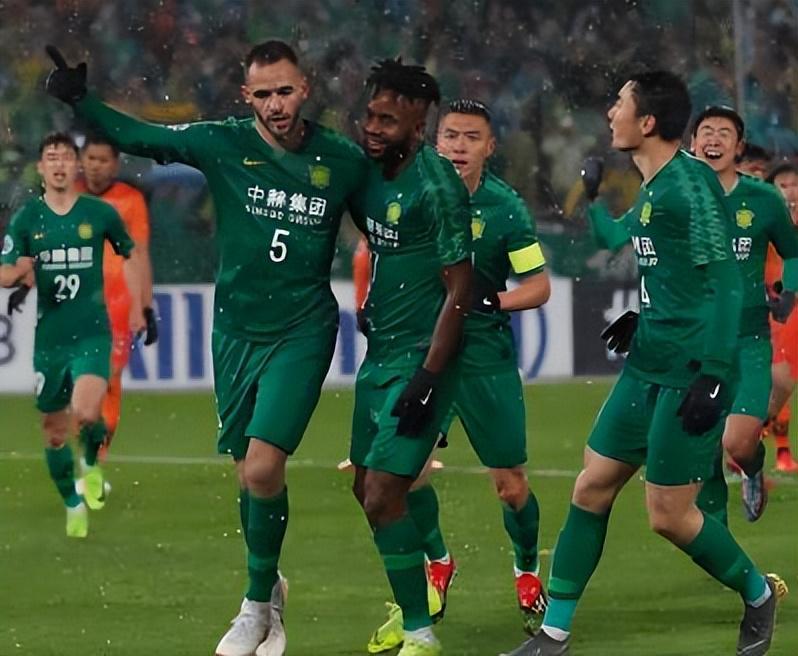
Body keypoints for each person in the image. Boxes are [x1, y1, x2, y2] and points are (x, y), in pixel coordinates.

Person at [44, 41, 367, 656]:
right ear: (247, 97)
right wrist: (83, 102)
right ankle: (270, 592)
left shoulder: (342, 160)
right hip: (235, 331)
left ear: (305, 88)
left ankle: (254, 605)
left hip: (302, 330)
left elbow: (390, 219)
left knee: (264, 467)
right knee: (247, 474)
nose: (276, 104)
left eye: (285, 91)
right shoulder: (223, 143)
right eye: (263, 94)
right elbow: (142, 137)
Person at [504, 72, 785, 656]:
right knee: (591, 486)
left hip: (689, 371)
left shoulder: (690, 186)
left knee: (668, 515)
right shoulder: (655, 186)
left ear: (648, 122)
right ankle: (554, 634)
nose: (611, 113)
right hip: (647, 363)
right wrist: (644, 310)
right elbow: (629, 245)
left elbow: (727, 283)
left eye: (620, 104)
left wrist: (715, 373)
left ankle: (759, 594)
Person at [367, 99, 551, 654]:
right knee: (406, 475)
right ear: (435, 140)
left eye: (472, 137)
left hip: (484, 359)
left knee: (510, 486)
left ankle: (526, 569)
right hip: (423, 357)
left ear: (489, 147)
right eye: (450, 135)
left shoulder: (505, 208)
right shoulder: (411, 190)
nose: (459, 146)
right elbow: (375, 251)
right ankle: (438, 562)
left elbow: (538, 286)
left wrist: (493, 299)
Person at [348, 59, 472, 656]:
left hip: (423, 360)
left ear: (418, 128)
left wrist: (428, 376)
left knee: (382, 493)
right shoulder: (366, 171)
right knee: (365, 489)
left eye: (388, 121)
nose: (373, 128)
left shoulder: (438, 185)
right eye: (370, 115)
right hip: (379, 356)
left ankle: (421, 634)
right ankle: (416, 599)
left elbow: (460, 288)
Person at [0, 132, 143, 537]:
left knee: (86, 413)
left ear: (75, 166)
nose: (59, 163)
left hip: (92, 332)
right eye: (52, 157)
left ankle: (92, 463)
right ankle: (72, 502)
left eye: (66, 157)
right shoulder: (28, 218)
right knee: (54, 431)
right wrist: (18, 272)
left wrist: (139, 305)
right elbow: (6, 271)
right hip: (50, 340)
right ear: (41, 168)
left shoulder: (99, 214)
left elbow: (130, 253)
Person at [77, 133, 158, 457]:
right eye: (91, 159)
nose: (96, 166)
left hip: (118, 302)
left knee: (109, 377)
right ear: (81, 161)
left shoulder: (130, 200)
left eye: (103, 160)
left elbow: (139, 253)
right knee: (78, 378)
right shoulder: (68, 196)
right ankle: (88, 441)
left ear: (115, 164)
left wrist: (145, 306)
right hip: (76, 301)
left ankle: (96, 453)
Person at [763, 162, 798, 472]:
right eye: (783, 185)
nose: (790, 191)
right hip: (782, 310)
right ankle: (778, 447)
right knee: (782, 377)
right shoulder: (767, 223)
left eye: (795, 184)